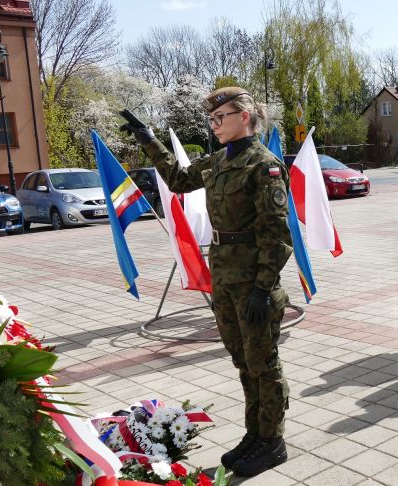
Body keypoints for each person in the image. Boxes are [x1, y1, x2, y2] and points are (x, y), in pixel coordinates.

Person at [120, 87, 293, 478]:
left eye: (220, 117)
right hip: (225, 279)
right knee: (243, 362)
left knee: (263, 364)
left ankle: (273, 441)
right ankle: (255, 433)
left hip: (253, 283)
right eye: (211, 119)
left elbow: (277, 235)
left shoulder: (263, 166)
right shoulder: (218, 160)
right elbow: (178, 180)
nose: (213, 125)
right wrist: (149, 140)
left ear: (244, 117)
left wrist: (263, 289)